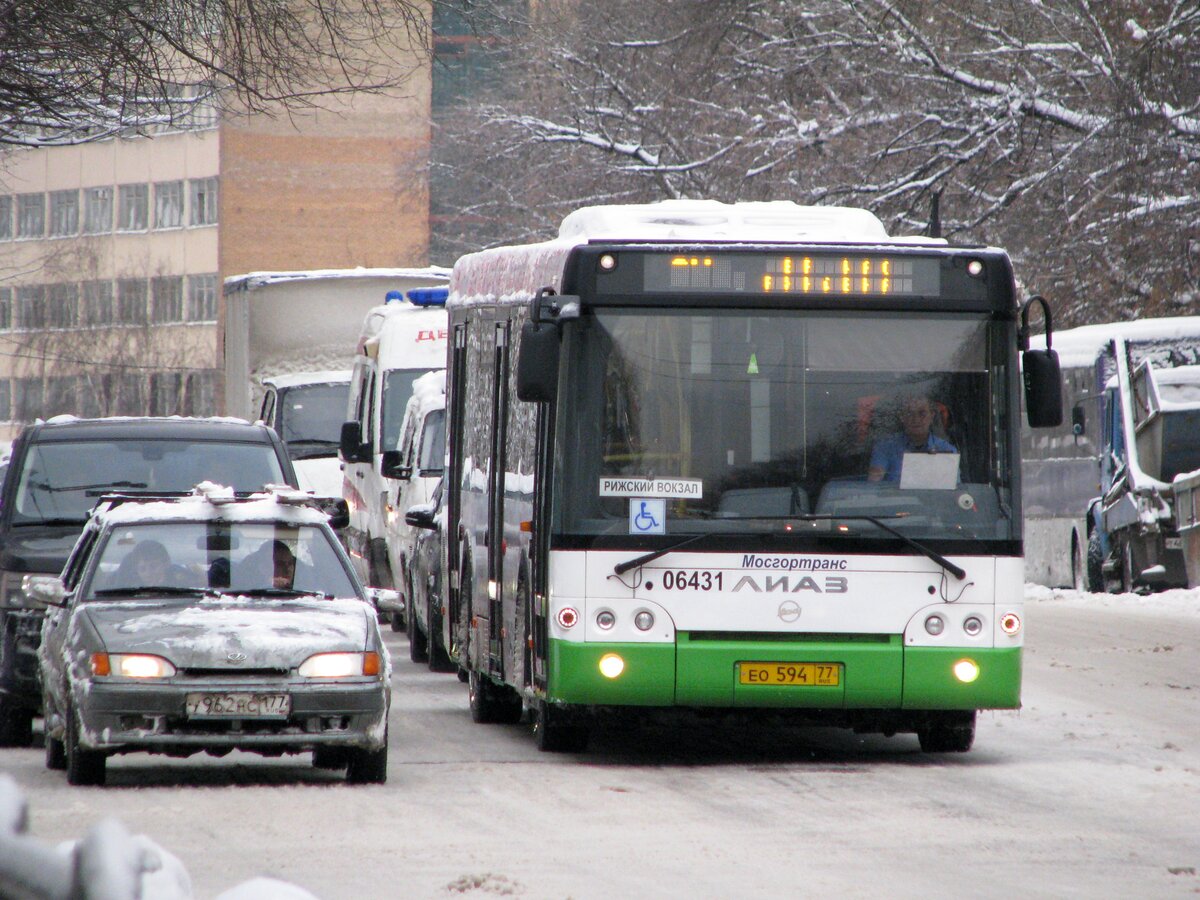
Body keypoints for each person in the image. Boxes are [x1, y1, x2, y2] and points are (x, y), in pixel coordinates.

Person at [867, 394, 956, 483]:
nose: (916, 419)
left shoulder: (947, 450)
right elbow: (874, 484)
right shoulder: (885, 447)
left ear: (932, 416)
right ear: (902, 417)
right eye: (910, 413)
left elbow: (954, 490)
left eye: (922, 413)